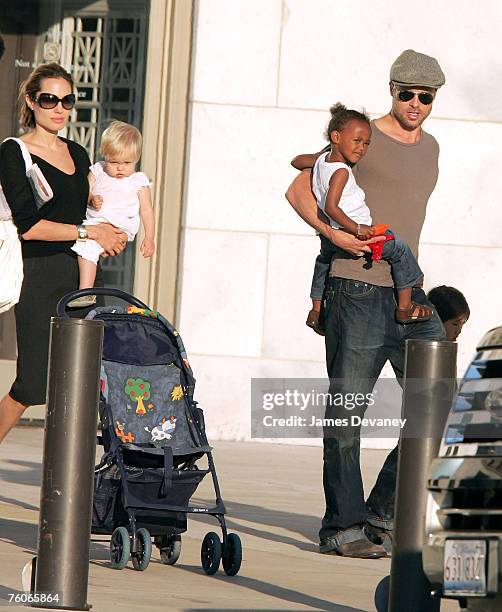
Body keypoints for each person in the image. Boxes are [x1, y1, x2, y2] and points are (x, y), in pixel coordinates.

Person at [285, 49, 446, 558]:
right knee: (347, 415)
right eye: (407, 94)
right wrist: (337, 235)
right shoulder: (362, 137)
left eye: (426, 96)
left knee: (438, 400)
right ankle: (342, 527)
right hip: (354, 288)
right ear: (392, 89)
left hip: (405, 290)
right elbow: (297, 189)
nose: (416, 103)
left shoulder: (432, 147)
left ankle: (379, 513)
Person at [0, 62, 126, 443]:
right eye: (49, 99)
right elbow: (30, 226)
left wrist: (110, 233)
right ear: (31, 102)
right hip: (39, 274)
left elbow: (89, 207)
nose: (59, 108)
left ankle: (73, 488)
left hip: (81, 274)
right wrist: (91, 230)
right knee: (32, 383)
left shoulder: (78, 152)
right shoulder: (13, 151)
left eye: (67, 100)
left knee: (81, 381)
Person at [292, 102, 433, 327]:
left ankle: (316, 310)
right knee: (400, 249)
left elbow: (296, 161)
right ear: (336, 137)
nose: (361, 148)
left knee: (323, 262)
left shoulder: (322, 162)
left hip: (334, 237)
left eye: (366, 144)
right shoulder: (341, 171)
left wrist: (317, 157)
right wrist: (358, 229)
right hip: (357, 233)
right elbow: (331, 207)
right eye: (357, 141)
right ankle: (405, 307)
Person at [70, 120, 155, 308]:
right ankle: (84, 291)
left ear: (137, 158)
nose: (120, 168)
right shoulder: (98, 170)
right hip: (96, 222)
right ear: (104, 156)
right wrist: (92, 198)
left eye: (127, 163)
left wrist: (149, 237)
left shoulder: (138, 180)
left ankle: (85, 290)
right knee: (86, 249)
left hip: (121, 225)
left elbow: (147, 210)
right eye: (114, 162)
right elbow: (85, 191)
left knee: (88, 248)